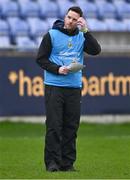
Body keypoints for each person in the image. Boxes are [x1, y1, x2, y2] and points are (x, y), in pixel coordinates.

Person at [36, 6, 101, 172]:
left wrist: (86, 30)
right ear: (65, 17)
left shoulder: (81, 36)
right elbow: (41, 59)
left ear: (79, 21)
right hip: (54, 86)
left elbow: (96, 50)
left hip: (74, 87)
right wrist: (57, 69)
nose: (71, 21)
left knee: (71, 126)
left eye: (75, 19)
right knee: (54, 126)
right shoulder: (51, 35)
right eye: (69, 17)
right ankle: (52, 163)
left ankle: (67, 163)